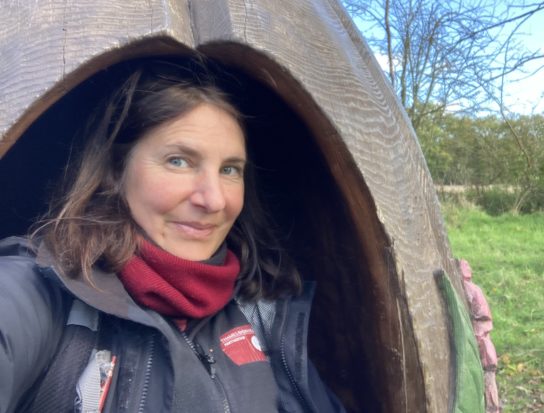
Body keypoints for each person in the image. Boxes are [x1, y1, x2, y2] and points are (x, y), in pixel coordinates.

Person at [0, 57, 346, 413]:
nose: (213, 200)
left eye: (229, 169)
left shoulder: (265, 315)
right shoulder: (41, 294)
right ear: (116, 170)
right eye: (179, 161)